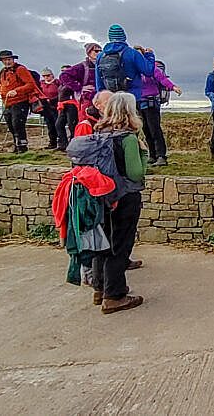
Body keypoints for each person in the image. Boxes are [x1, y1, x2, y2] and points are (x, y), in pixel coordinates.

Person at [67, 92, 147, 314]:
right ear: (130, 111)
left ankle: (99, 289)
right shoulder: (128, 139)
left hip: (101, 196)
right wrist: (144, 155)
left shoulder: (99, 133)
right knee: (120, 246)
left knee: (103, 244)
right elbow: (135, 173)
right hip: (124, 197)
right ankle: (115, 295)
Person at [94, 25, 156, 104]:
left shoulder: (101, 56)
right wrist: (149, 56)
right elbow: (148, 71)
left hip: (111, 99)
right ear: (124, 36)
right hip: (132, 97)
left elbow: (99, 80)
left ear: (109, 37)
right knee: (131, 116)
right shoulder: (132, 53)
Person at [0, 50, 40, 153]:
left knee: (17, 124)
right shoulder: (3, 71)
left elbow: (31, 84)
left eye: (9, 59)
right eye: (4, 60)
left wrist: (17, 91)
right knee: (10, 125)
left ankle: (22, 147)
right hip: (7, 102)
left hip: (20, 101)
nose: (7, 62)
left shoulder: (20, 69)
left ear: (13, 59)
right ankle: (16, 145)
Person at [138, 58, 182, 166]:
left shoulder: (152, 68)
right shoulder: (134, 69)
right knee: (146, 130)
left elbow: (162, 79)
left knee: (155, 130)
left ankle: (161, 156)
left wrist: (173, 87)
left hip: (151, 102)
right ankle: (152, 156)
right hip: (139, 102)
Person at [59, 43, 101, 114]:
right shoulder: (82, 66)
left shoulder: (103, 65)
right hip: (87, 98)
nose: (99, 53)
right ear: (89, 53)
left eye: (101, 51)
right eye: (96, 51)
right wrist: (79, 87)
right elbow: (64, 76)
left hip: (101, 98)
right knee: (85, 120)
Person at [55, 64, 78, 151]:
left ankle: (73, 144)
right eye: (62, 71)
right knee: (59, 124)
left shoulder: (73, 82)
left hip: (71, 104)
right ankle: (63, 144)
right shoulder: (61, 83)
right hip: (62, 105)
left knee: (72, 125)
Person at [36, 67, 60, 150]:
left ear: (52, 75)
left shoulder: (57, 83)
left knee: (58, 124)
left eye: (48, 75)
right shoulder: (41, 84)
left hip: (56, 106)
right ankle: (52, 142)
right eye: (44, 76)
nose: (46, 77)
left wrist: (52, 100)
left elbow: (61, 93)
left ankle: (60, 141)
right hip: (46, 107)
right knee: (50, 125)